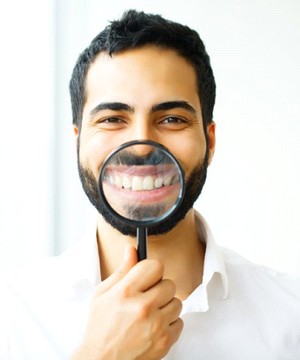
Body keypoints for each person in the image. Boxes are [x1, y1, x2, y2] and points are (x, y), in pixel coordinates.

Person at [1, 9, 300, 360]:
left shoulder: (290, 316)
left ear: (210, 141)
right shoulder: (11, 317)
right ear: (77, 142)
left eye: (172, 119)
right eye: (113, 119)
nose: (142, 144)